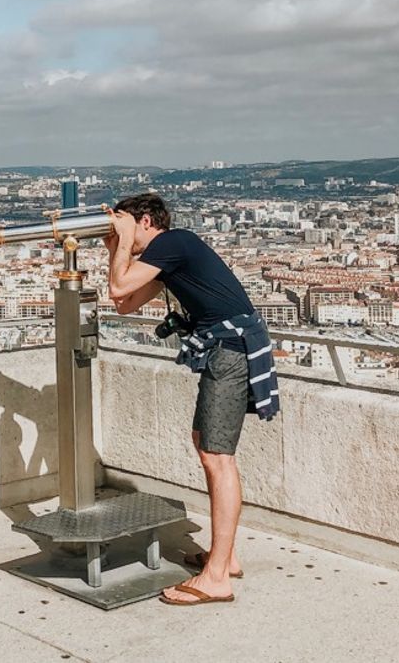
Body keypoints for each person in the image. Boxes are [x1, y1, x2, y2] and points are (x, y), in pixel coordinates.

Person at [105, 193, 280, 607]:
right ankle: (226, 556)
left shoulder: (173, 242)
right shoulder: (168, 257)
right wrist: (117, 247)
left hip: (231, 349)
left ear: (146, 221)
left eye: (126, 223)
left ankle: (217, 577)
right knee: (206, 446)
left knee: (218, 457)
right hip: (224, 350)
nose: (120, 229)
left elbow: (117, 284)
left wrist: (124, 244)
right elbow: (124, 303)